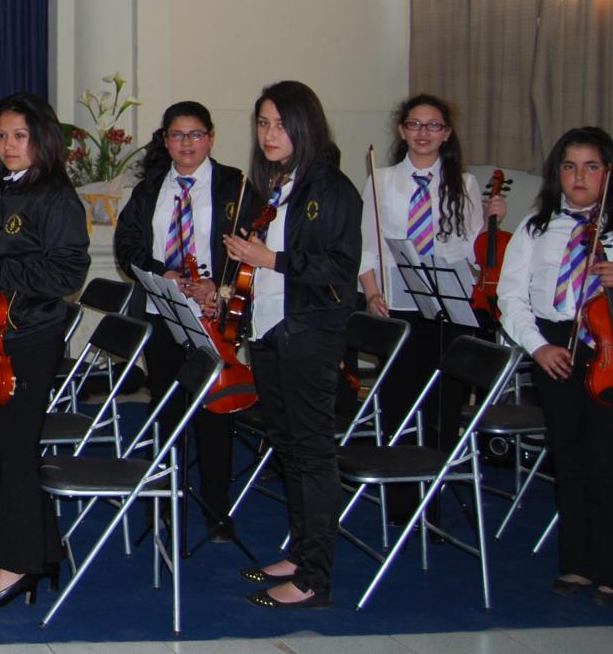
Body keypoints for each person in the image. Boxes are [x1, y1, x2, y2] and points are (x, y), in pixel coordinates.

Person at [221, 80, 362, 610]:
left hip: (310, 334)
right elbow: (265, 261)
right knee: (287, 447)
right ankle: (301, 552)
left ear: (305, 126)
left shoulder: (332, 188)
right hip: (272, 330)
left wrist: (269, 260)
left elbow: (340, 273)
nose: (269, 134)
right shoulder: (279, 185)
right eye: (262, 124)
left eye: (280, 124)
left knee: (312, 452)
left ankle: (314, 579)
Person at [0, 93, 89, 609]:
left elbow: (65, 273)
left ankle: (16, 567)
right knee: (12, 451)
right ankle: (44, 551)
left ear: (42, 139)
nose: (10, 146)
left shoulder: (55, 197)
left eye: (21, 136)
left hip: (29, 340)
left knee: (14, 455)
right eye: (3, 136)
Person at [114, 100, 259, 543]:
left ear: (211, 138)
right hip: (164, 315)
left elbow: (254, 251)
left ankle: (217, 512)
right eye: (177, 135)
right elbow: (128, 247)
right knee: (165, 413)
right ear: (165, 140)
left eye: (196, 134)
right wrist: (163, 272)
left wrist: (218, 287)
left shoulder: (237, 186)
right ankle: (164, 506)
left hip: (214, 319)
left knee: (215, 418)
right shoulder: (149, 187)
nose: (187, 143)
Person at [356, 94, 500, 524]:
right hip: (399, 306)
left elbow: (477, 256)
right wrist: (370, 292)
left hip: (449, 309)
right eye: (415, 125)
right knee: (399, 403)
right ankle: (401, 505)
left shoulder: (466, 185)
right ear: (402, 131)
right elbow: (366, 247)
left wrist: (493, 223)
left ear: (447, 134)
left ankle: (430, 506)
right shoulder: (379, 181)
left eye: (433, 126)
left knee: (443, 409)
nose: (423, 133)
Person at [493, 126, 613, 604]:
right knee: (569, 457)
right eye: (569, 166)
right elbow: (510, 296)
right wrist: (538, 347)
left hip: (607, 348)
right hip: (555, 346)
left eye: (591, 167)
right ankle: (577, 564)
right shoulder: (536, 226)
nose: (579, 177)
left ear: (607, 173)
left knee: (606, 460)